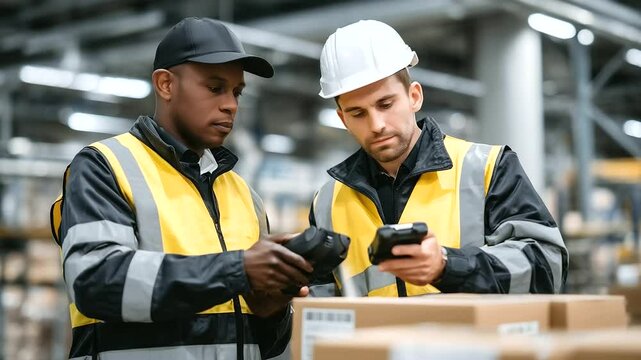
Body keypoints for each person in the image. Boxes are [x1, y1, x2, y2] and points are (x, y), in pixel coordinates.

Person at [50, 17, 313, 360]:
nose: (231, 104)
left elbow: (266, 346)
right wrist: (238, 269)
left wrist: (272, 311)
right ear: (165, 85)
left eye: (237, 92)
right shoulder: (105, 166)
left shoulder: (246, 198)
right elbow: (96, 282)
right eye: (215, 87)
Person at [309, 20, 568, 297]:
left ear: (414, 96)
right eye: (358, 113)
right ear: (342, 119)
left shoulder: (487, 168)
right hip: (374, 342)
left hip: (474, 341)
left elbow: (548, 266)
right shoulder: (327, 203)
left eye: (386, 104)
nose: (377, 124)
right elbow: (317, 306)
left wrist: (448, 266)